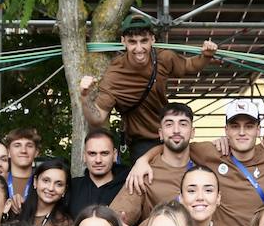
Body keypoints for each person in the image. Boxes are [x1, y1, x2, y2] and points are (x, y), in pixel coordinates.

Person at [128, 99, 264, 226]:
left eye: (249, 126)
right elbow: (176, 142)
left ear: (258, 130)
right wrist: (143, 160)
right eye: (235, 126)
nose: (242, 133)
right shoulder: (211, 152)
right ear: (226, 130)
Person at [79, 17, 218, 159]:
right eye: (132, 42)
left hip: (168, 135)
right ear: (123, 42)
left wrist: (206, 56)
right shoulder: (114, 75)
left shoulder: (164, 58)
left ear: (153, 39)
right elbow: (97, 118)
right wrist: (84, 97)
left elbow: (189, 65)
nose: (139, 49)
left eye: (144, 41)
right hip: (142, 142)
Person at [111, 102, 197, 226]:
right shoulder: (144, 173)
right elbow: (118, 214)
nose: (176, 130)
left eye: (183, 124)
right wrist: (114, 223)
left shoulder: (205, 162)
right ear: (161, 134)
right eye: (169, 124)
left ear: (192, 132)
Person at [15, 157, 73, 226]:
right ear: (35, 182)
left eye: (59, 184)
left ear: (65, 190)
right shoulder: (17, 211)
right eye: (46, 180)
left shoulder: (65, 225)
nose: (51, 188)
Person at [68, 129, 129, 216]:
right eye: (92, 153)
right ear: (84, 156)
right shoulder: (72, 188)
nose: (98, 160)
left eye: (104, 153)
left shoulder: (128, 186)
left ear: (115, 155)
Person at [3, 127, 40, 213]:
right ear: (8, 152)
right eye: (17, 145)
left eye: (29, 146)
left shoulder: (44, 183)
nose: (23, 150)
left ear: (36, 152)